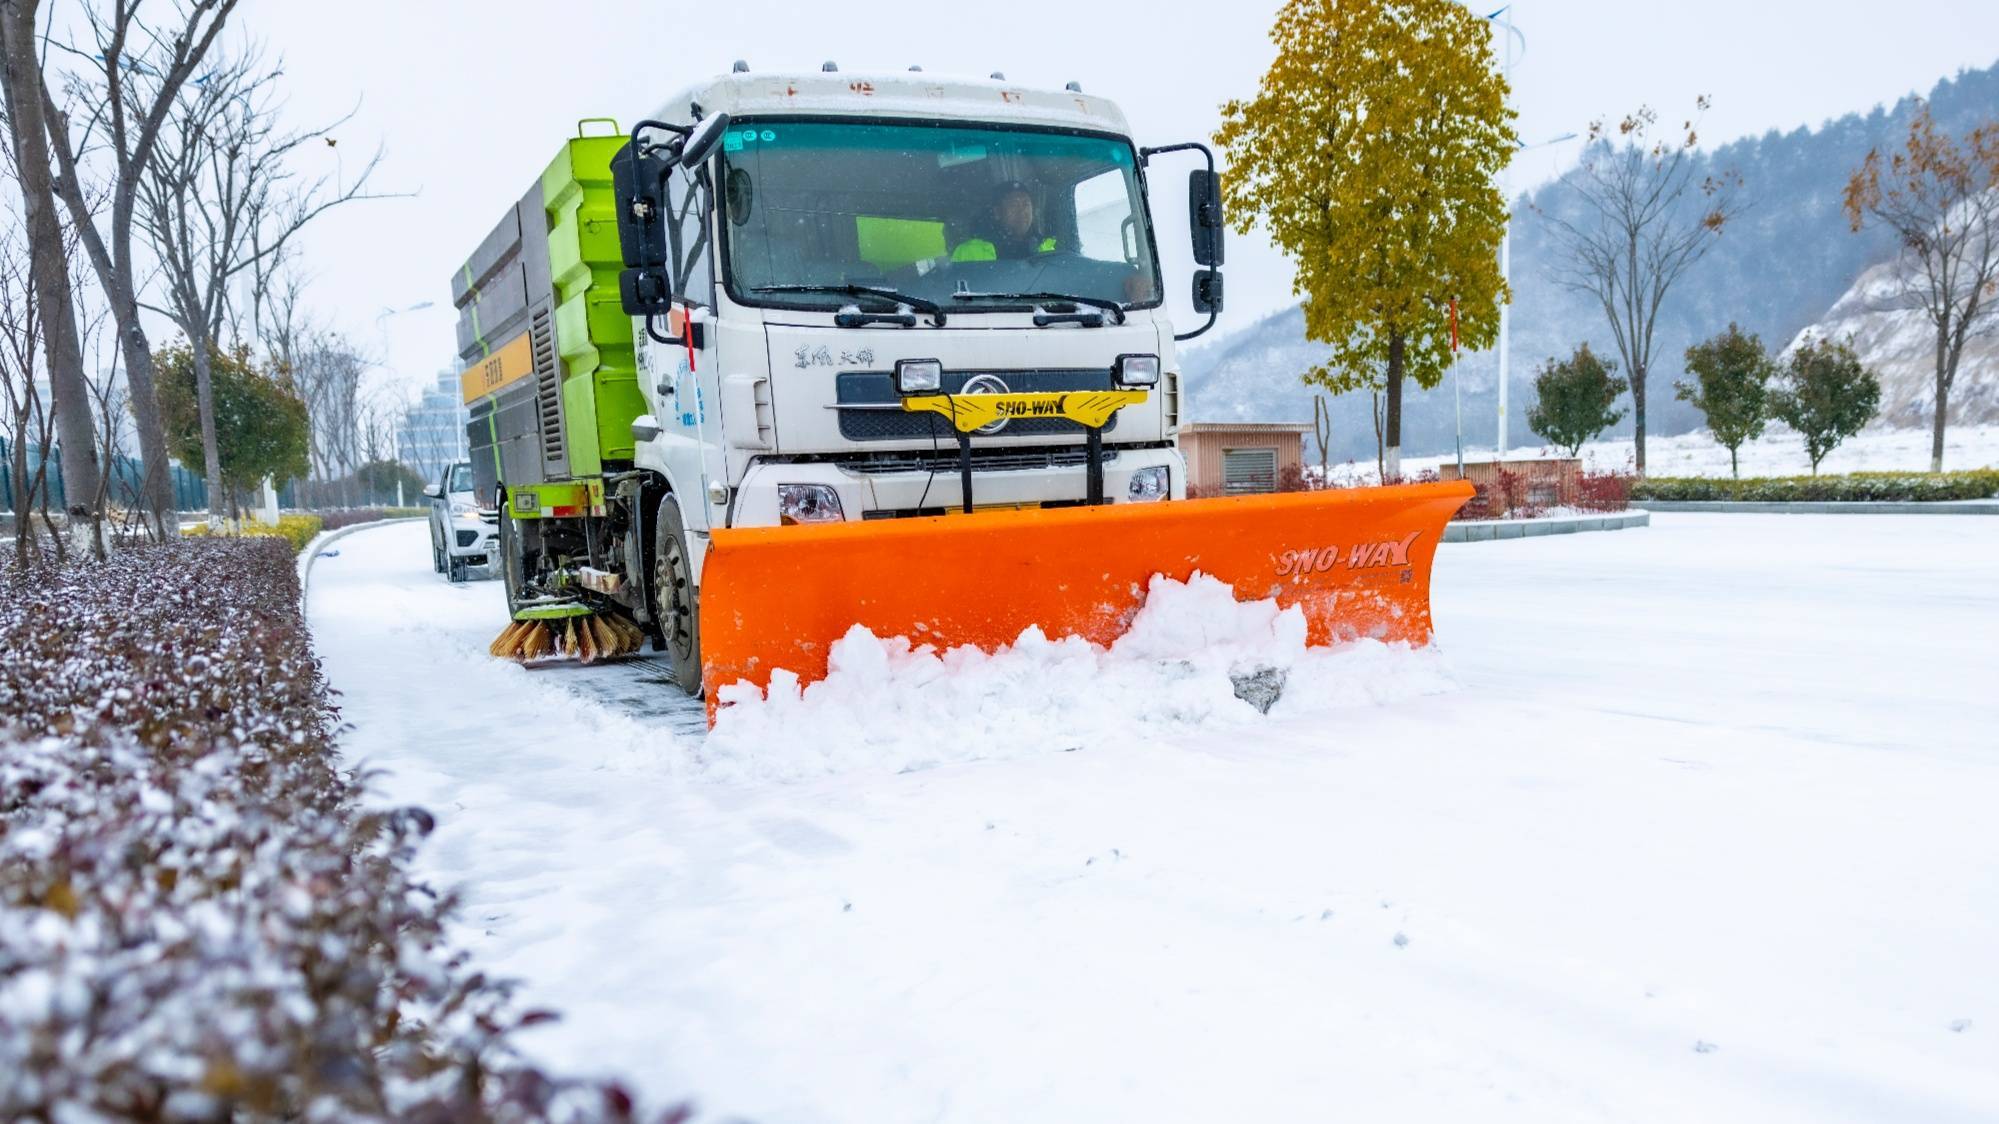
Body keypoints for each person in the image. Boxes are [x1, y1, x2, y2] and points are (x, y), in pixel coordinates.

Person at [951, 182, 1058, 262]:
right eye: (1014, 205)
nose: (1022, 211)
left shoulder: (1048, 250)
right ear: (997, 212)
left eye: (1026, 204)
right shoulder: (969, 252)